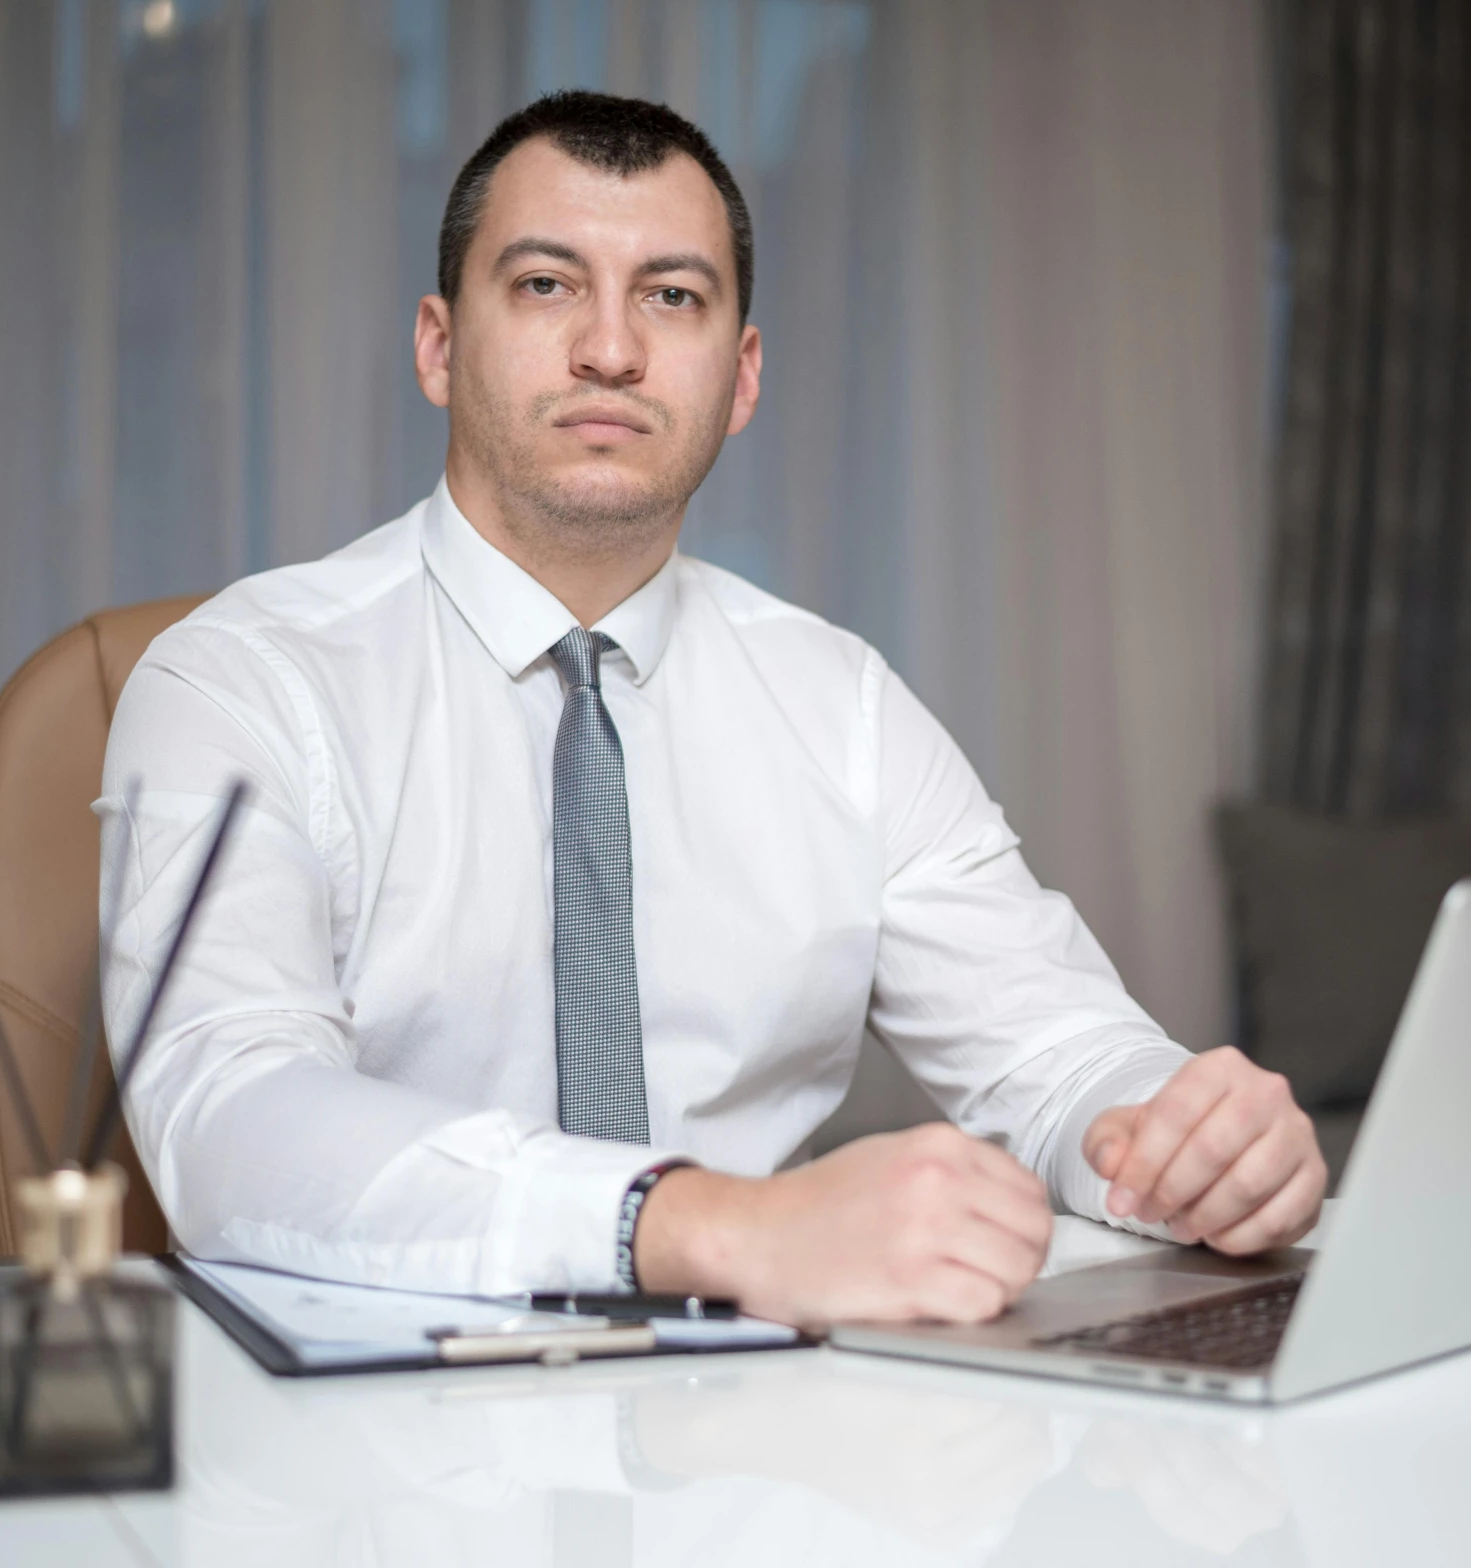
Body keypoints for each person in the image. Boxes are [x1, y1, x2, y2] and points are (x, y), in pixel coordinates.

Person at [98, 90, 1323, 1329]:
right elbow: (228, 1114)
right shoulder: (241, 678)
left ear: (741, 377)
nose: (612, 350)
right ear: (437, 345)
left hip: (760, 1454)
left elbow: (1056, 1055)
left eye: (672, 296)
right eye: (543, 285)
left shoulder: (841, 704)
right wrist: (710, 1225)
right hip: (375, 1463)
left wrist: (1186, 1132)